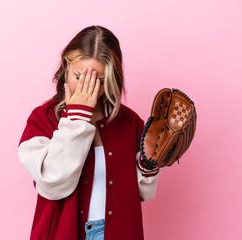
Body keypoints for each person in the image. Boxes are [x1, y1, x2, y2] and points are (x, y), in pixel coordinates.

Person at [18, 25, 160, 240]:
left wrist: (149, 165)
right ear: (66, 65)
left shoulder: (129, 122)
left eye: (99, 81)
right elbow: (52, 185)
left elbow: (143, 193)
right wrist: (77, 117)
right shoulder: (42, 119)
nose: (88, 88)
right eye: (79, 77)